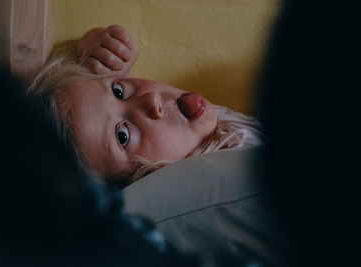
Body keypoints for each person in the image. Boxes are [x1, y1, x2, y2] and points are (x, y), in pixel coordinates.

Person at [28, 25, 261, 187]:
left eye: (118, 91)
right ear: (134, 180)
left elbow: (97, 103)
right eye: (123, 136)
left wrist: (101, 48)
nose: (150, 100)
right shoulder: (219, 182)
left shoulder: (191, 136)